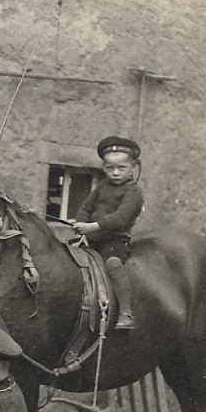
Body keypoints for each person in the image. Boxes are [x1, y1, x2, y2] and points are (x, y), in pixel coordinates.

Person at [72, 136, 144, 330]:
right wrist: (80, 222)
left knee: (112, 264)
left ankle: (126, 313)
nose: (115, 172)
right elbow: (86, 206)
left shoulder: (133, 192)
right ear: (104, 168)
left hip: (115, 240)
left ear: (132, 168)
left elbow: (120, 218)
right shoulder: (102, 186)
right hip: (92, 238)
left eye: (121, 168)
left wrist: (92, 226)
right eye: (110, 168)